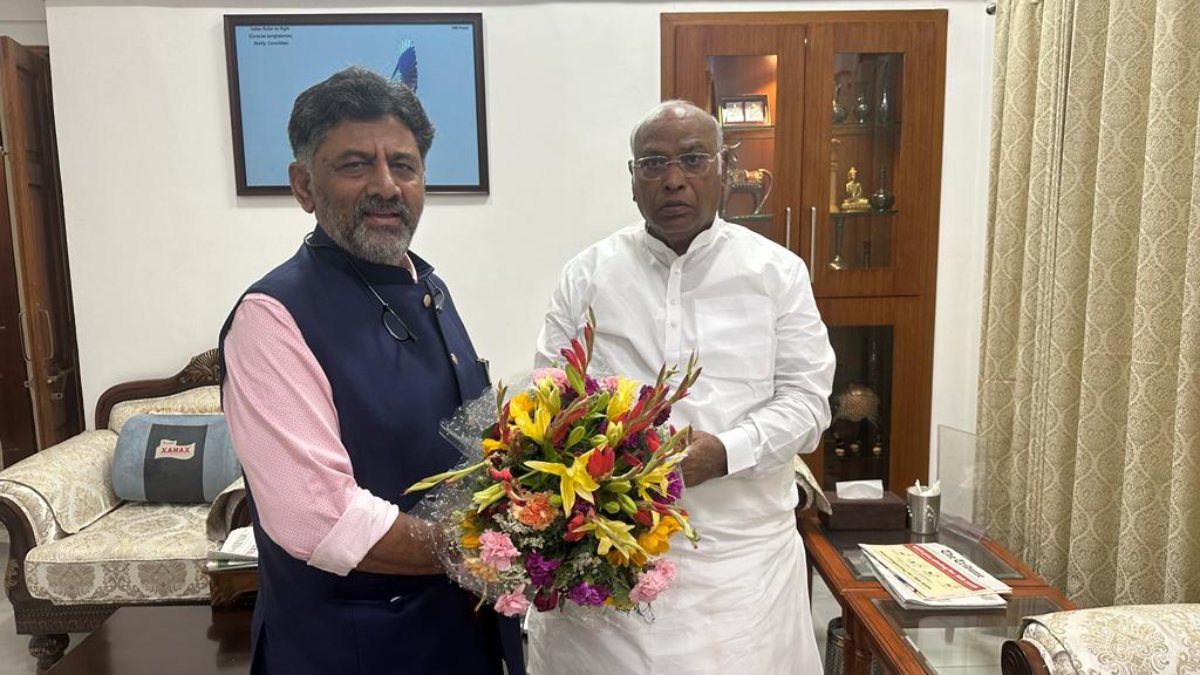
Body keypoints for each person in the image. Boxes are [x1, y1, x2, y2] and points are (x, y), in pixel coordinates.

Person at [219, 67, 523, 675]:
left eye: (403, 165)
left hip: (463, 631)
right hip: (354, 646)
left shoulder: (428, 287)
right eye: (356, 165)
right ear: (304, 185)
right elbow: (320, 518)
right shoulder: (272, 318)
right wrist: (485, 550)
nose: (386, 185)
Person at [529, 100, 835, 674]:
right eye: (653, 163)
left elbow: (807, 403)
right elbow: (548, 398)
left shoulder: (777, 273)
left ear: (724, 170)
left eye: (693, 159)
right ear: (633, 180)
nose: (673, 179)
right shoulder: (587, 274)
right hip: (609, 558)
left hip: (741, 566)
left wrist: (726, 452)